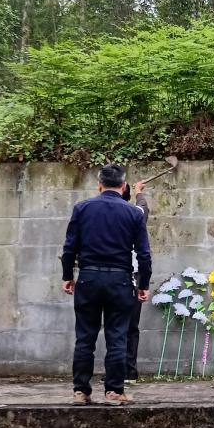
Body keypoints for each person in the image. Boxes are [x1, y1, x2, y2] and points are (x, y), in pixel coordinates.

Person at [61, 164, 152, 405]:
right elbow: (144, 253)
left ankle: (80, 391)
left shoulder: (82, 208)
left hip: (89, 278)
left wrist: (67, 275)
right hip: (120, 280)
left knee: (85, 338)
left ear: (99, 185)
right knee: (117, 337)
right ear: (123, 187)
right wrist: (144, 283)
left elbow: (70, 246)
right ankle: (114, 391)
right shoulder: (133, 213)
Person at [124, 179, 149, 384]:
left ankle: (125, 371)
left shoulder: (103, 214)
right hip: (132, 276)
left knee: (119, 326)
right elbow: (143, 208)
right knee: (130, 326)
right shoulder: (134, 215)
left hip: (120, 276)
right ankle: (128, 371)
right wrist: (138, 192)